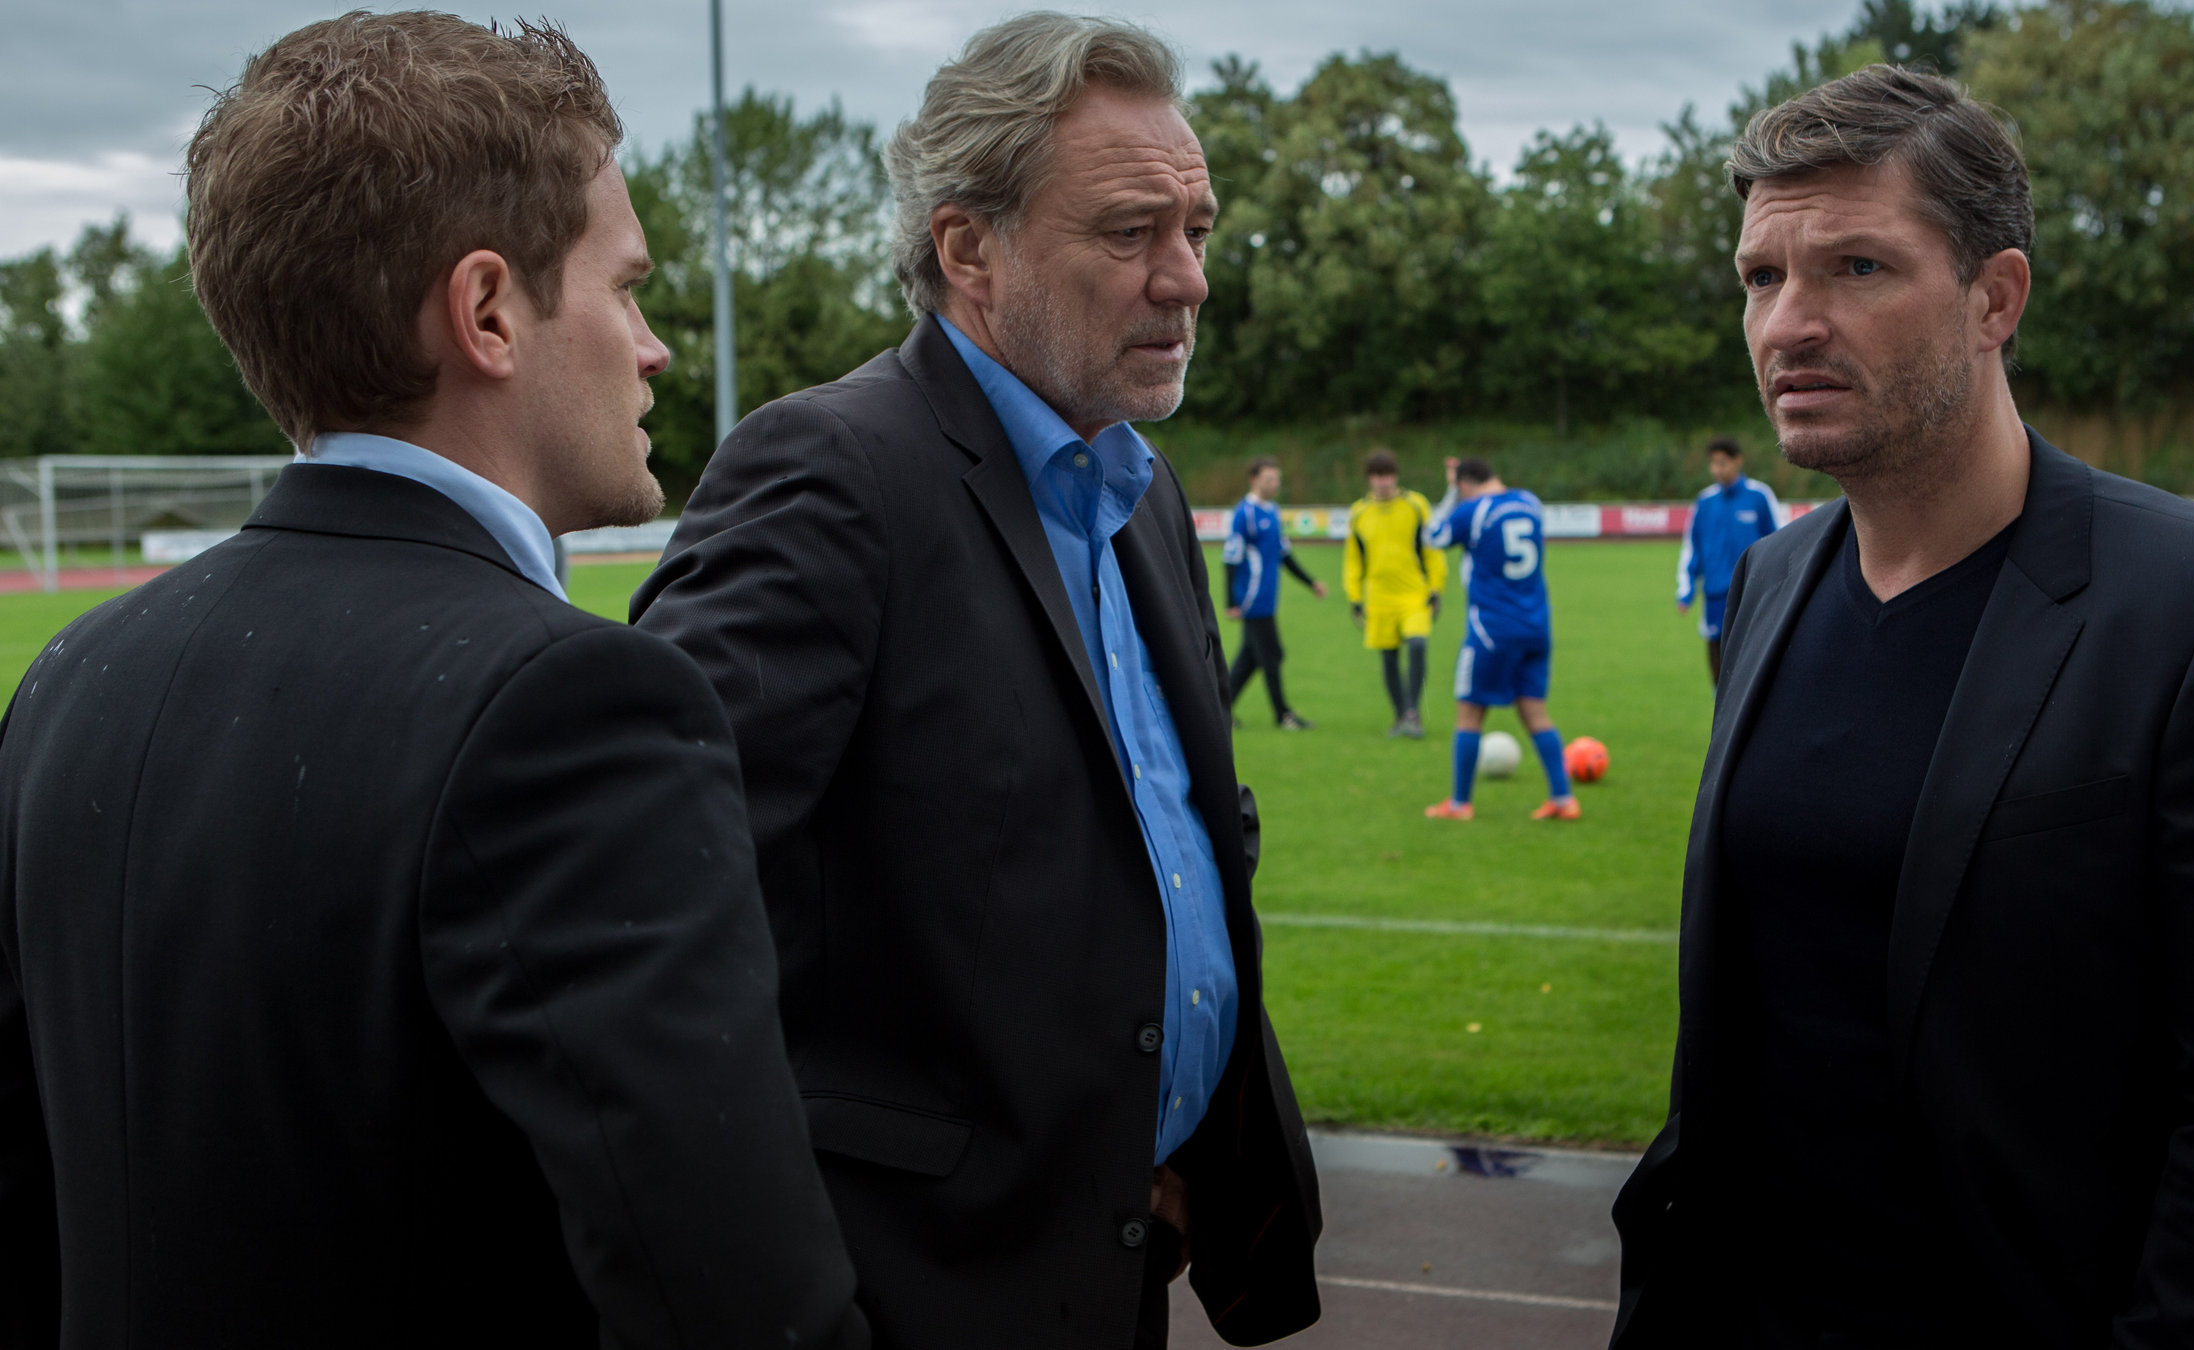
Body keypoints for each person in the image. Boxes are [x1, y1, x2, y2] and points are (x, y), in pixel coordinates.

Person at [0, 14, 866, 1348]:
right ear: (486, 311)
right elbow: (737, 1297)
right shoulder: (574, 705)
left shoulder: (71, 678)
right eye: (626, 288)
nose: (656, 349)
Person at [1608, 65, 2194, 1349]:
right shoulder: (1771, 580)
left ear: (1994, 296)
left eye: (1857, 267)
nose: (1789, 324)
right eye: (1762, 277)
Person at [628, 15, 1321, 1349]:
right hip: (919, 1286)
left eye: (1198, 229)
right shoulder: (832, 473)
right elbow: (656, 894)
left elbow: (1151, 843)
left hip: (1116, 1251)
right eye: (1130, 234)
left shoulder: (1139, 488)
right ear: (968, 247)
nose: (1185, 279)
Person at [1423, 457, 1576, 822]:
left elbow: (1431, 536)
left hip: (1491, 630)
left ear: (1464, 484)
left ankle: (1460, 804)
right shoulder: (1529, 502)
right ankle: (1563, 798)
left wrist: (1449, 493)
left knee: (1469, 712)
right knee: (1534, 710)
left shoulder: (1473, 509)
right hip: (1537, 625)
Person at [1342, 449, 1447, 738]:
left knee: (1417, 645)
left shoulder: (1416, 506)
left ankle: (1412, 713)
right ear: (1369, 480)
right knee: (1388, 658)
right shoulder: (1359, 513)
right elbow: (1353, 560)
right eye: (1377, 476)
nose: (1383, 482)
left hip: (1415, 594)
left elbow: (1431, 551)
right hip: (1378, 597)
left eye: (1387, 476)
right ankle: (1401, 716)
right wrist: (1354, 597)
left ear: (1396, 477)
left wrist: (1436, 588)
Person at [1224, 455, 1326, 729]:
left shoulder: (1273, 512)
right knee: (1271, 656)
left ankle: (1220, 711)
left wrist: (1311, 582)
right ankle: (1283, 716)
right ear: (1254, 479)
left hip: (1268, 598)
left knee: (1250, 659)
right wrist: (1231, 601)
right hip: (1252, 598)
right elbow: (1230, 558)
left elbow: (1284, 555)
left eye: (1277, 479)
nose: (1274, 484)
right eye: (1269, 479)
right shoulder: (1244, 513)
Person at [1675, 435, 1781, 683]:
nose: (1716, 469)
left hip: (1753, 594)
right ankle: (1723, 718)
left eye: (1722, 463)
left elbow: (1781, 544)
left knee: (1754, 661)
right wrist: (1686, 591)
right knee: (1718, 666)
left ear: (1737, 461)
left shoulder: (1759, 496)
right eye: (1713, 463)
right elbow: (1693, 548)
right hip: (1715, 597)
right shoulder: (1704, 502)